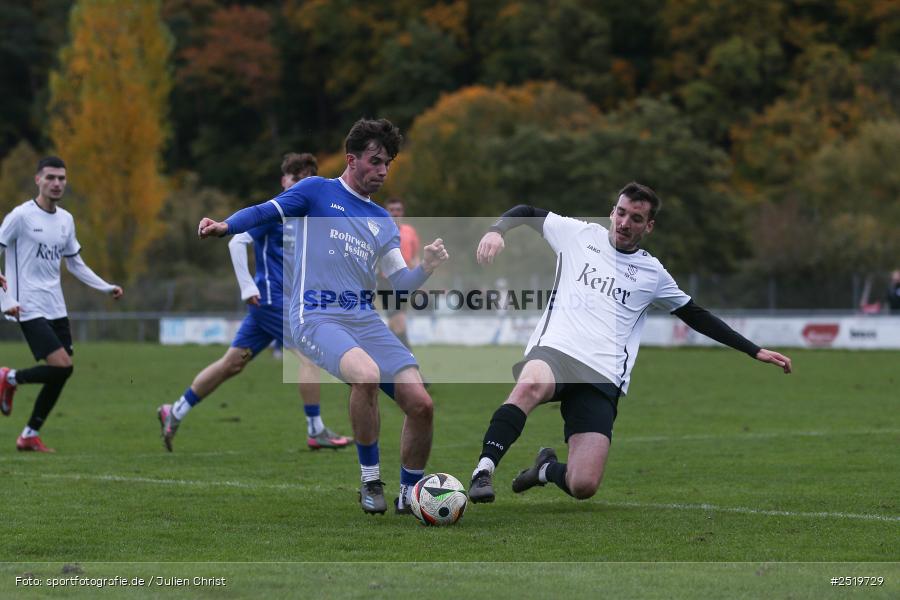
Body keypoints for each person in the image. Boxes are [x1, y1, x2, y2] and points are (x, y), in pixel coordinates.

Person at [466, 182, 792, 503]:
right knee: (530, 385)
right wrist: (497, 230)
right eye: (621, 213)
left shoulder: (653, 273)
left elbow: (696, 315)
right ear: (612, 212)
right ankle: (483, 471)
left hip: (602, 374)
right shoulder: (577, 234)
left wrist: (754, 350)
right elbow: (527, 211)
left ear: (648, 226)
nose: (624, 223)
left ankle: (545, 469)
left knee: (583, 485)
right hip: (557, 351)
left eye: (636, 218)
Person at [197, 118, 450, 515]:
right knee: (365, 375)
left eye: (388, 163)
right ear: (351, 159)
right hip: (316, 317)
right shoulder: (316, 191)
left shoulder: (383, 221)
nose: (383, 171)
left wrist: (427, 268)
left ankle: (409, 494)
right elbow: (264, 211)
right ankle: (371, 481)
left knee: (421, 404)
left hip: (364, 319)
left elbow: (400, 284)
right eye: (375, 161)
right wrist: (225, 226)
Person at [157, 153, 349, 452]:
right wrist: (247, 286)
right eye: (295, 178)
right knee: (310, 357)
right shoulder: (276, 211)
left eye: (306, 179)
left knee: (232, 364)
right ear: (284, 181)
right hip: (270, 299)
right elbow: (238, 241)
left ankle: (175, 411)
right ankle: (316, 430)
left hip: (278, 304)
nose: (301, 184)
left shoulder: (308, 218)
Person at [0, 156, 124, 452]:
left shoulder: (66, 220)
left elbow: (75, 264)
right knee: (61, 365)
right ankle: (8, 378)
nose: (56, 183)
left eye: (61, 178)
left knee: (63, 371)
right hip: (26, 304)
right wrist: (5, 301)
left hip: (56, 306)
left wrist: (106, 286)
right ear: (38, 180)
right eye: (50, 177)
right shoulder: (21, 216)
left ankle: (29, 434)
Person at [382, 197, 420, 349]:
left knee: (394, 324)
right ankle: (409, 360)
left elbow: (415, 257)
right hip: (386, 282)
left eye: (398, 210)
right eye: (391, 210)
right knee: (399, 323)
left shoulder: (410, 232)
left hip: (405, 282)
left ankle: (385, 356)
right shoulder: (380, 231)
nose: (395, 213)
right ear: (386, 212)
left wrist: (417, 277)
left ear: (402, 212)